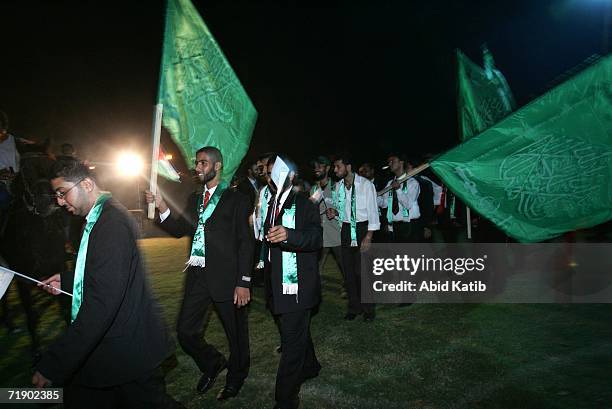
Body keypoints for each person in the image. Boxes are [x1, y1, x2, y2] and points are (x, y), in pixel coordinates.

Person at [34, 161, 177, 409]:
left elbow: (102, 304)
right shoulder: (98, 217)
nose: (59, 201)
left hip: (129, 352)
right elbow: (103, 273)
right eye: (56, 194)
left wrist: (54, 363)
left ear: (87, 184)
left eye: (62, 192)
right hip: (111, 352)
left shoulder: (111, 223)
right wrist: (68, 280)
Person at [145, 146, 253, 401]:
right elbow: (180, 228)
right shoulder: (194, 200)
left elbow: (246, 243)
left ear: (217, 166)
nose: (198, 167)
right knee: (185, 331)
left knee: (236, 336)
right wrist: (161, 205)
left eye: (203, 163)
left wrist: (244, 282)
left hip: (228, 280)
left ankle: (236, 378)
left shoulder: (236, 199)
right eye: (197, 163)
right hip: (197, 276)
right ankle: (213, 363)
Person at [262, 154, 322, 409]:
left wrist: (290, 234)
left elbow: (315, 238)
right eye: (267, 171)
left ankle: (286, 398)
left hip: (297, 286)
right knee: (297, 332)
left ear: (291, 176)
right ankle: (311, 366)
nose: (269, 174)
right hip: (275, 284)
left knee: (292, 343)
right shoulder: (271, 204)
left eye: (275, 170)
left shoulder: (305, 204)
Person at [329, 153, 380, 321]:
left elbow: (373, 211)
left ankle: (368, 310)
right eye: (335, 167)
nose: (335, 170)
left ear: (348, 167)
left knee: (363, 272)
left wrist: (369, 236)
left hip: (362, 229)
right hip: (346, 230)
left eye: (338, 166)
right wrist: (334, 212)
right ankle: (354, 307)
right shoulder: (338, 187)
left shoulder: (365, 185)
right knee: (348, 272)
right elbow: (341, 210)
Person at [310, 155, 344, 296]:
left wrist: (336, 211)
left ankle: (348, 287)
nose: (316, 168)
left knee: (343, 265)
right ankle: (314, 289)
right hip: (320, 235)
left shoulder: (337, 187)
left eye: (320, 165)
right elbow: (310, 210)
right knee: (316, 265)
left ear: (328, 168)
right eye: (315, 166)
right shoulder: (313, 189)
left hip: (336, 234)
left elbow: (346, 209)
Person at [377, 154, 420, 243]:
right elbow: (385, 204)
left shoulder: (412, 182)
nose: (390, 163)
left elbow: (408, 205)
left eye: (392, 160)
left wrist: (398, 189)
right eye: (389, 162)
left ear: (401, 162)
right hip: (394, 226)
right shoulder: (390, 183)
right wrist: (375, 198)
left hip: (409, 226)